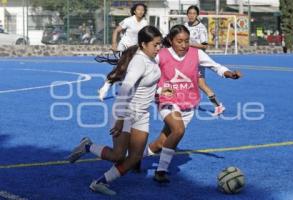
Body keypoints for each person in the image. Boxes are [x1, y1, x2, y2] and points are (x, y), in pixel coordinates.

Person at [67, 25, 162, 196]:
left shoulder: (151, 59)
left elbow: (146, 86)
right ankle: (88, 146)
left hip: (142, 114)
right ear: (143, 44)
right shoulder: (140, 61)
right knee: (118, 155)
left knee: (135, 158)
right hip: (124, 112)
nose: (158, 48)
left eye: (159, 44)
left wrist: (161, 91)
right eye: (155, 45)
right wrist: (120, 118)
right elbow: (125, 88)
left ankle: (99, 183)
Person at [140, 25, 241, 183]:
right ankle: (161, 171)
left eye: (186, 41)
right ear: (171, 41)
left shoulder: (196, 53)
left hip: (188, 104)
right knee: (178, 130)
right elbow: (145, 69)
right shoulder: (162, 54)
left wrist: (229, 74)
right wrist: (158, 90)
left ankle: (134, 159)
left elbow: (216, 66)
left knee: (161, 142)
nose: (183, 45)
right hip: (167, 100)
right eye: (179, 41)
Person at [98, 3, 148, 101]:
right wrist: (114, 44)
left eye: (142, 10)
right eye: (138, 9)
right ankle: (104, 89)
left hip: (135, 49)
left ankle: (119, 84)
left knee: (128, 70)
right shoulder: (128, 21)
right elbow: (116, 31)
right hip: (124, 47)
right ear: (134, 11)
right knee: (120, 69)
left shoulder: (145, 23)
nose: (141, 11)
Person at [184, 5, 225, 116]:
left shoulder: (201, 28)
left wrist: (191, 44)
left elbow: (204, 46)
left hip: (197, 58)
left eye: (193, 13)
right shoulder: (184, 26)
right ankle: (217, 106)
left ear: (197, 15)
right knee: (198, 83)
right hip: (186, 58)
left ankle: (217, 106)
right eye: (189, 13)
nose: (191, 15)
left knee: (200, 83)